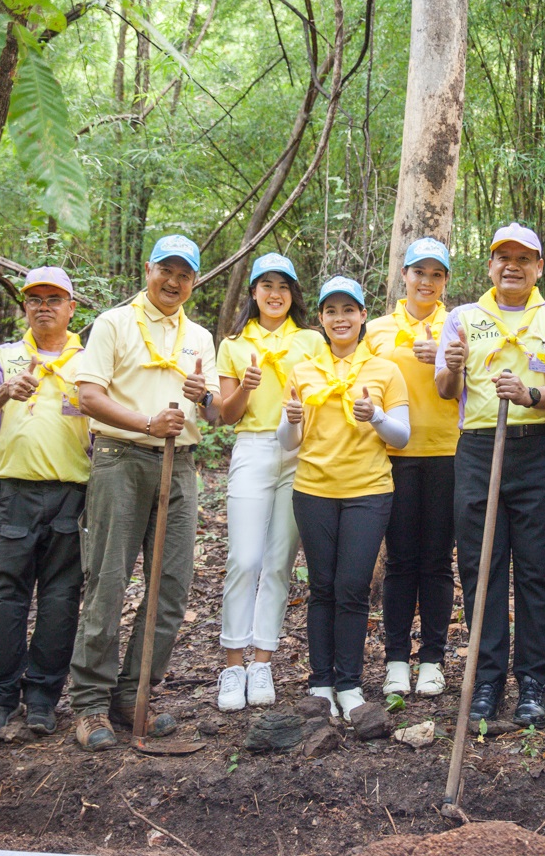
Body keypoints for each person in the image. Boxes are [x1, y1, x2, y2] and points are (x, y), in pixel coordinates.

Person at [69, 235, 220, 751]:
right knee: (109, 580)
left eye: (185, 275)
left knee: (171, 586)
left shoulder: (199, 335)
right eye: (166, 271)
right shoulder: (114, 323)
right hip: (120, 459)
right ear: (149, 269)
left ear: (194, 281)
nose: (173, 282)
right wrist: (145, 422)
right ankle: (90, 702)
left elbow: (215, 412)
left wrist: (206, 398)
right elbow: (87, 395)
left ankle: (134, 695)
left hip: (180, 466)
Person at [436, 223, 545, 729]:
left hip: (538, 448)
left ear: (540, 267)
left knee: (538, 569)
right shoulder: (462, 318)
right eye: (503, 257)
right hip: (477, 451)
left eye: (525, 258)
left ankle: (534, 681)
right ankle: (486, 680)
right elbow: (447, 388)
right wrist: (451, 366)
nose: (513, 265)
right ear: (490, 265)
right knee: (482, 567)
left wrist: (532, 396)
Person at [279, 276, 410, 720]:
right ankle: (320, 682)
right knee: (322, 588)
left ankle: (349, 683)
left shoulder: (385, 371)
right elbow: (288, 442)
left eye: (348, 310)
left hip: (368, 492)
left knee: (352, 588)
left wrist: (375, 415)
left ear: (362, 317)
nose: (341, 318)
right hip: (313, 489)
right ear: (321, 319)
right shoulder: (303, 371)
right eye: (331, 311)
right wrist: (291, 418)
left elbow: (403, 436)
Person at [0, 267, 89, 740]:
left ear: (71, 307)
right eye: (34, 299)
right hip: (15, 494)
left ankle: (42, 699)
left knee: (60, 601)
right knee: (2, 599)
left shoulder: (89, 359)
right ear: (24, 307)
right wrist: (5, 391)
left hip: (71, 497)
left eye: (54, 298)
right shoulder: (4, 357)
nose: (44, 306)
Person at [213, 253, 324, 711]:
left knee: (279, 562)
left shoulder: (312, 342)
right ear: (254, 292)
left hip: (300, 452)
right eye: (266, 285)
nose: (274, 293)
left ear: (293, 294)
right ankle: (232, 663)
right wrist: (247, 386)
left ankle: (262, 662)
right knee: (244, 558)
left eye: (284, 285)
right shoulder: (235, 344)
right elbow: (226, 413)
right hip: (254, 448)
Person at [365, 238, 460, 698]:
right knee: (401, 561)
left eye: (436, 274)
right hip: (392, 456)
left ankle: (433, 661)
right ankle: (396, 661)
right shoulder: (377, 330)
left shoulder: (457, 326)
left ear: (445, 281)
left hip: (448, 451)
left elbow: (476, 385)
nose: (427, 282)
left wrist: (443, 360)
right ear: (404, 275)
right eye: (419, 272)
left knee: (438, 561)